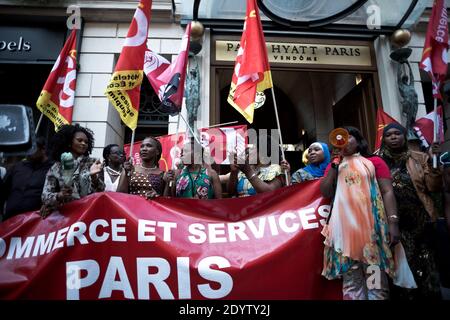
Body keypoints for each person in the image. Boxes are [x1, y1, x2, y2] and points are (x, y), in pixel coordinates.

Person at [320, 126, 400, 300]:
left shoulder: (374, 162)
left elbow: (387, 192)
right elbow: (325, 191)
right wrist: (334, 163)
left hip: (372, 231)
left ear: (358, 141)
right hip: (344, 234)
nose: (344, 140)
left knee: (375, 283)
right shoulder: (334, 165)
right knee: (351, 284)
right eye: (340, 138)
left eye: (348, 137)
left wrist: (393, 222)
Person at [379, 123, 442, 299]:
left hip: (420, 221)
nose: (393, 137)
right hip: (392, 222)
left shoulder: (419, 158)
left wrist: (433, 163)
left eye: (397, 134)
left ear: (404, 136)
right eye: (389, 135)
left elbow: (434, 187)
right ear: (383, 139)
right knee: (401, 266)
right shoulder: (376, 161)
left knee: (425, 265)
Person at [41, 124, 104, 217]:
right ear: (70, 142)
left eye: (86, 142)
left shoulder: (94, 163)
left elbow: (101, 192)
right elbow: (45, 196)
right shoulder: (57, 167)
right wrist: (59, 195)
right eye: (79, 140)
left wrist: (94, 178)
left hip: (88, 214)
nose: (83, 143)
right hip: (66, 218)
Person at [0, 137, 53, 221]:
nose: (28, 152)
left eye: (32, 148)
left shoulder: (53, 169)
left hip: (36, 225)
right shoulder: (17, 167)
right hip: (10, 223)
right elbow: (2, 192)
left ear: (43, 149)